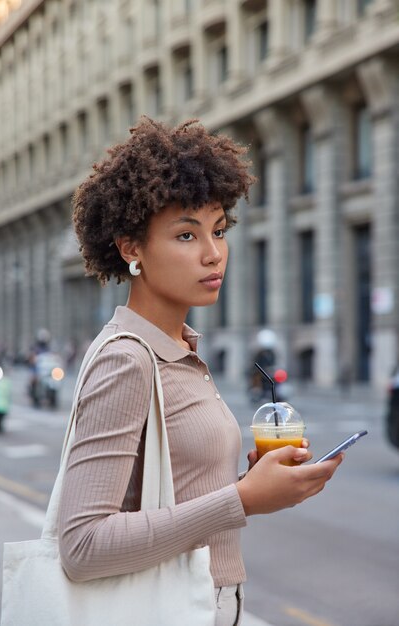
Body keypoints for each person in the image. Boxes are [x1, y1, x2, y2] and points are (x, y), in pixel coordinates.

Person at [58, 117, 343, 626]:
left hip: (207, 603)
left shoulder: (178, 348)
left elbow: (176, 496)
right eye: (187, 234)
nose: (213, 254)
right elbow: (82, 545)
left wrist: (251, 487)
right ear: (131, 249)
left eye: (219, 230)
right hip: (169, 608)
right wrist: (241, 500)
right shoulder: (128, 358)